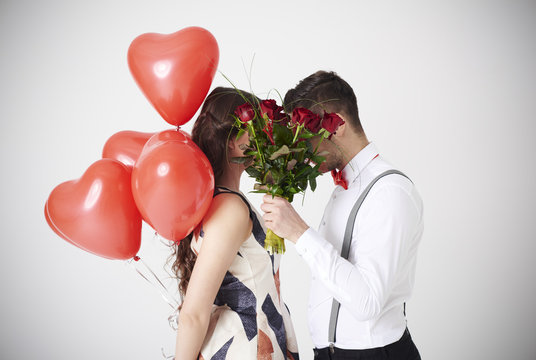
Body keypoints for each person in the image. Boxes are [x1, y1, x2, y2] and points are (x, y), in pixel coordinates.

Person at [261, 71, 423, 360]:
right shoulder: (344, 187)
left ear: (338, 125)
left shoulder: (390, 192)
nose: (302, 146)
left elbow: (367, 301)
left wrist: (299, 232)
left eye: (306, 134)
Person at [171, 87, 300, 360]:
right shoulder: (230, 209)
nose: (262, 136)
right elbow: (193, 314)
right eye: (253, 128)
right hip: (246, 345)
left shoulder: (222, 200)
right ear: (231, 141)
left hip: (252, 339)